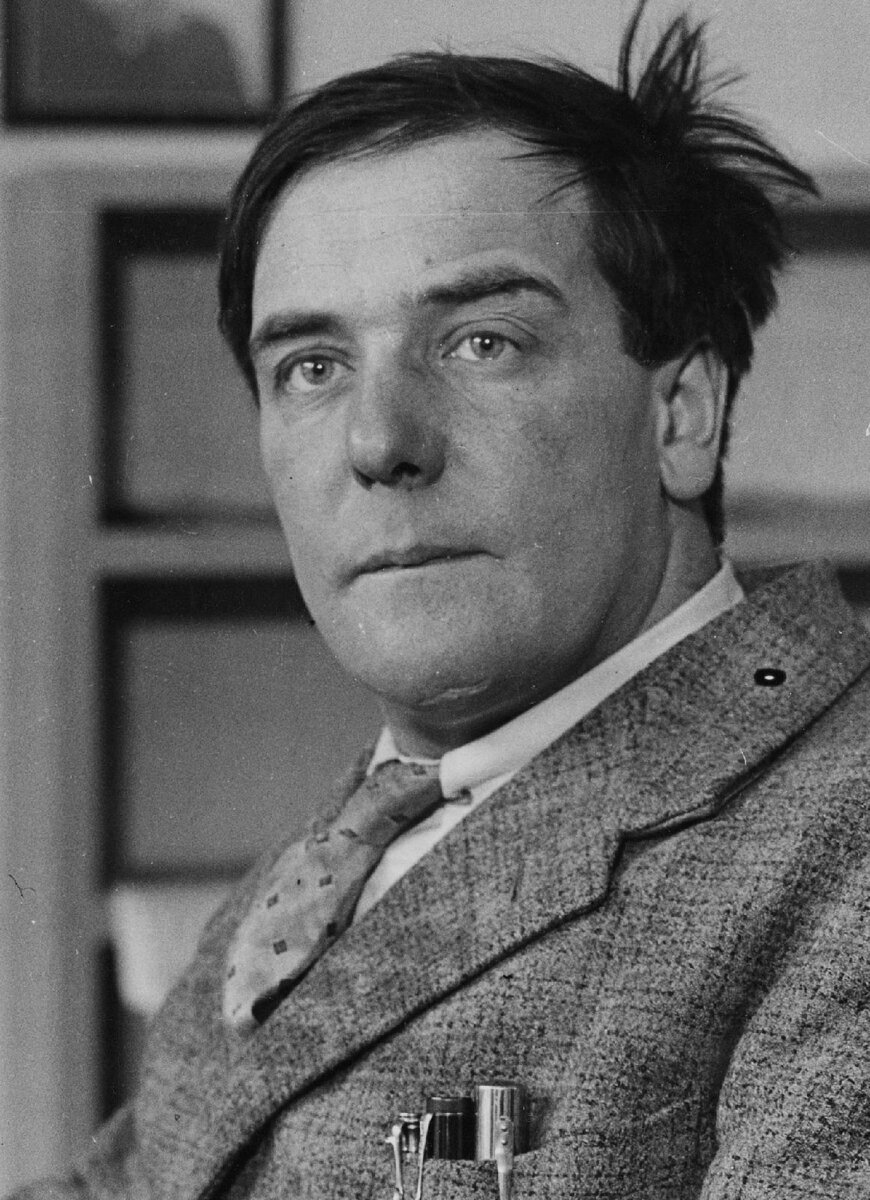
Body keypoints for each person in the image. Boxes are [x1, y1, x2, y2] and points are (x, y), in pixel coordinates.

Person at [13, 3, 870, 1198]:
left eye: (481, 342)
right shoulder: (349, 843)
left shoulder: (844, 837)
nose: (379, 441)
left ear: (682, 414)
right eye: (312, 367)